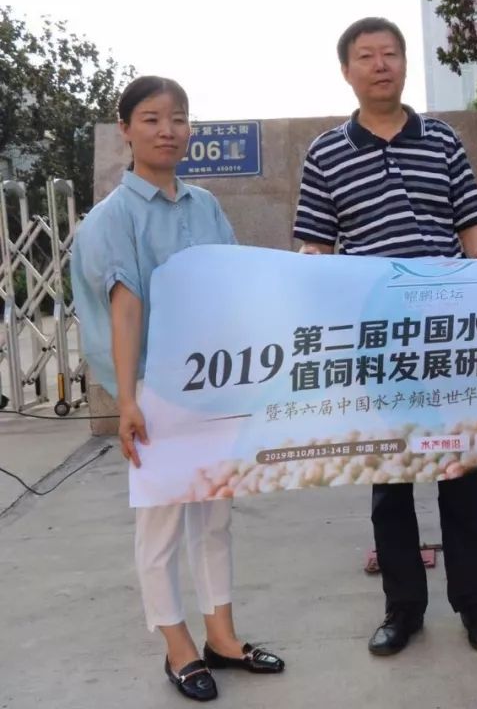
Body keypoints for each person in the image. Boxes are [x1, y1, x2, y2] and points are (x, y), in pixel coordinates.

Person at [293, 17, 477, 657]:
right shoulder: (325, 153)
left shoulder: (442, 139)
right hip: (378, 339)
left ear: (405, 63)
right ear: (347, 71)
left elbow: (472, 223)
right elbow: (315, 244)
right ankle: (403, 608)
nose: (380, 64)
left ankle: (475, 603)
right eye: (366, 56)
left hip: (447, 336)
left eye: (390, 53)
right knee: (390, 476)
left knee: (460, 470)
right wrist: (308, 280)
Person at [71, 76, 284, 702]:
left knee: (214, 514)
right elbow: (126, 309)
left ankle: (223, 636)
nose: (168, 130)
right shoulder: (114, 217)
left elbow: (233, 284)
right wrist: (127, 402)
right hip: (154, 388)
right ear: (126, 130)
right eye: (152, 118)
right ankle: (178, 646)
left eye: (179, 118)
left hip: (213, 383)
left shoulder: (205, 206)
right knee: (161, 523)